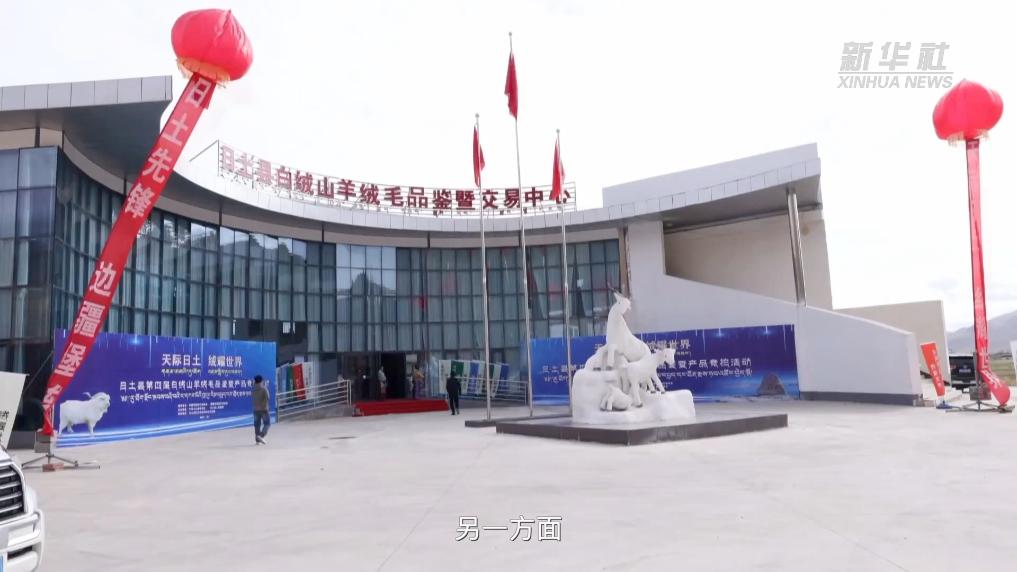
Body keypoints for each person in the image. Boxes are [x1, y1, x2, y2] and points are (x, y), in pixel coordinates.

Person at [252, 375, 270, 445]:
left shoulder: (253, 389)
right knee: (267, 423)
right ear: (261, 381)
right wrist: (264, 405)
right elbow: (268, 397)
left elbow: (253, 398)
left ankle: (257, 441)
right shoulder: (264, 388)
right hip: (263, 409)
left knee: (257, 425)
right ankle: (261, 436)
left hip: (255, 409)